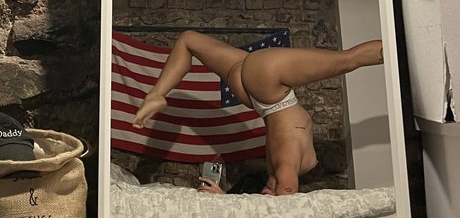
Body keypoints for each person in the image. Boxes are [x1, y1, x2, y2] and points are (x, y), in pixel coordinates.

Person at [133, 31, 383, 196]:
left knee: (349, 59)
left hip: (266, 88)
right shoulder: (285, 173)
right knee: (188, 40)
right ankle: (157, 94)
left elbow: (268, 208)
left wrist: (226, 199)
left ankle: (156, 94)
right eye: (267, 195)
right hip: (259, 94)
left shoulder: (280, 166)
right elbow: (285, 209)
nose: (263, 193)